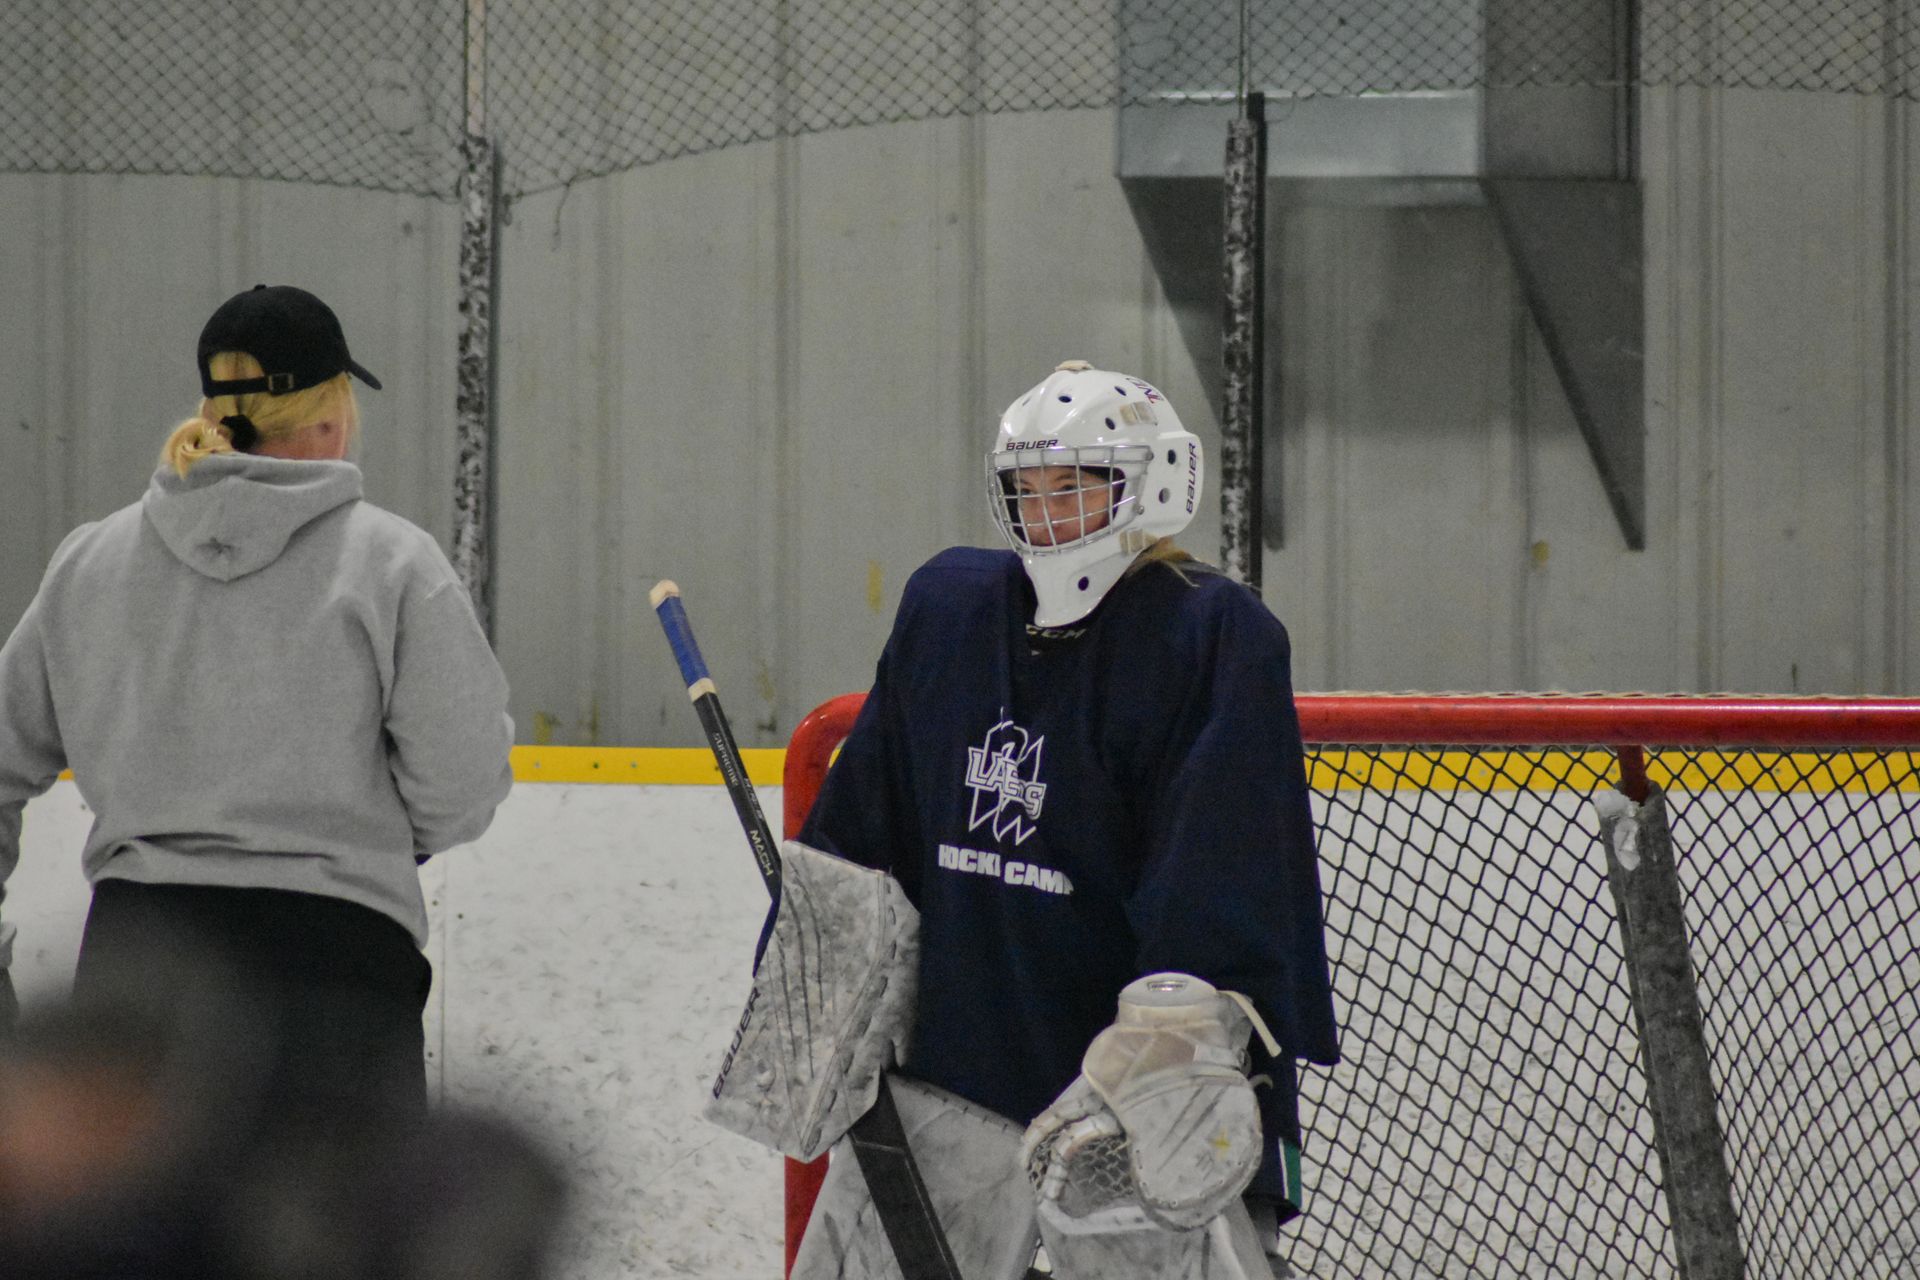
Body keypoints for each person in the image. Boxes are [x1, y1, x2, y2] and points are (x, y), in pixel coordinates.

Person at [793, 360, 1340, 1276]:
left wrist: (1172, 1052)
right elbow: (867, 830)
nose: (1046, 513)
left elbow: (1224, 873)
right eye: (1027, 489)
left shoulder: (1209, 635)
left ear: (1153, 482)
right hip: (959, 1069)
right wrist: (827, 976)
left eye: (1075, 485)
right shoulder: (951, 613)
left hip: (1136, 1100)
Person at [0, 283, 514, 1117]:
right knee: (338, 1248)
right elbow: (461, 788)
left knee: (142, 1249)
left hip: (136, 974)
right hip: (339, 974)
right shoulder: (393, 567)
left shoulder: (90, 564)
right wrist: (370, 832)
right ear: (331, 414)